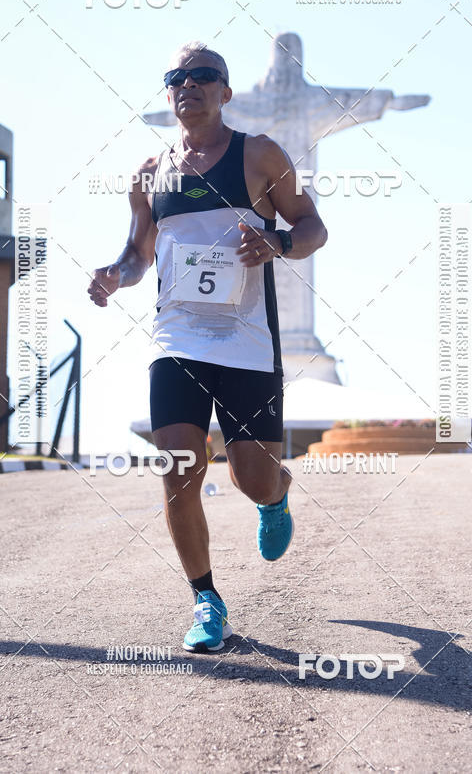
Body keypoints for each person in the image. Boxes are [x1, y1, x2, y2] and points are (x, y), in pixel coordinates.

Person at [88, 41, 328, 652]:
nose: (188, 85)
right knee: (179, 470)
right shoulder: (149, 173)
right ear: (169, 92)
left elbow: (313, 226)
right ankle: (206, 600)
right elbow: (138, 254)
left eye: (203, 75)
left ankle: (275, 496)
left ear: (225, 91)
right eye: (177, 77)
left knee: (252, 478)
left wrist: (277, 242)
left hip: (248, 344)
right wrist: (116, 275)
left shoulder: (260, 155)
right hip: (177, 339)